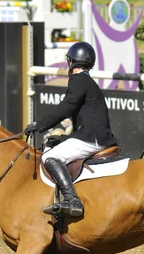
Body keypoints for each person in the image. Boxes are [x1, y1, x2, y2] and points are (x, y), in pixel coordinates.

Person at [24, 41, 117, 217]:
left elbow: (66, 107)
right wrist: (64, 139)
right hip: (94, 135)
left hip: (92, 139)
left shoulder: (79, 80)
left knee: (50, 156)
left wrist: (39, 125)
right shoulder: (87, 82)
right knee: (54, 147)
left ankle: (72, 199)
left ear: (72, 62)